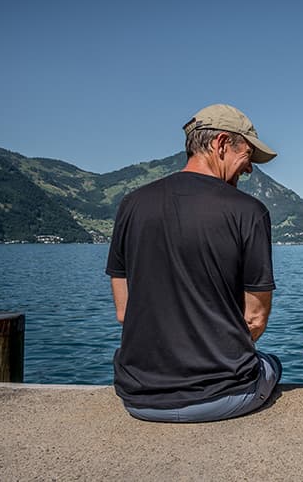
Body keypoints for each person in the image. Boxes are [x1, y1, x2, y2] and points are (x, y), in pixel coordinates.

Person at [105, 103, 282, 423]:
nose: (250, 169)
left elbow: (123, 311)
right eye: (248, 156)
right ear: (222, 144)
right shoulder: (249, 212)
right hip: (222, 396)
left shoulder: (131, 204)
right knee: (273, 365)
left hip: (138, 398)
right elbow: (254, 319)